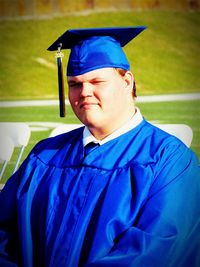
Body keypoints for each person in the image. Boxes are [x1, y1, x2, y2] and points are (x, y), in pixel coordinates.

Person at [0, 27, 199, 267]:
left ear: (127, 81)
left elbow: (154, 251)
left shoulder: (170, 160)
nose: (84, 93)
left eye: (97, 81)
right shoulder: (45, 156)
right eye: (74, 84)